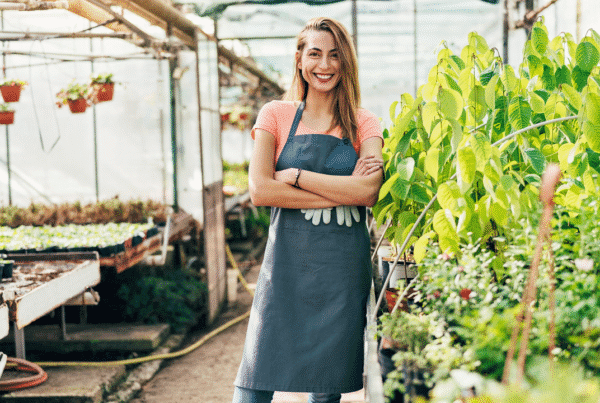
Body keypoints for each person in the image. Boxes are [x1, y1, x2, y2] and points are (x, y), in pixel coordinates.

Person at [232, 16, 384, 403]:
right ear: (299, 58)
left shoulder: (365, 121)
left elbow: (368, 192)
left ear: (346, 62)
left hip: (341, 272)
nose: (325, 65)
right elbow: (261, 190)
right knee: (254, 376)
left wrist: (296, 175)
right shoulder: (276, 114)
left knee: (326, 384)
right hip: (285, 266)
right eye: (315, 54)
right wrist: (343, 191)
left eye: (335, 55)